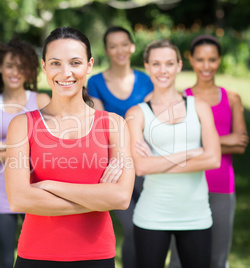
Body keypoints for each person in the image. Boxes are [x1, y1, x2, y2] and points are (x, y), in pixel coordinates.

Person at [5, 27, 135, 268]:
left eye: (75, 62)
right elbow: (19, 199)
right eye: (55, 63)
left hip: (95, 256)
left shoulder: (113, 125)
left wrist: (50, 187)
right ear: (44, 67)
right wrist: (97, 198)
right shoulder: (22, 125)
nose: (65, 73)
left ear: (89, 65)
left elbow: (120, 197)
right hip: (36, 256)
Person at [126, 39, 221, 268]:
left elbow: (213, 158)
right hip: (152, 215)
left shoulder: (199, 107)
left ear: (179, 65)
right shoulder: (136, 114)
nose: (163, 70)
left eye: (169, 63)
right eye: (156, 64)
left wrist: (158, 162)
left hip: (196, 214)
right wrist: (191, 153)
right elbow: (141, 167)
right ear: (147, 67)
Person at [169, 35, 248, 268]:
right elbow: (177, 145)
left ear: (219, 60)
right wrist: (226, 141)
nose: (206, 66)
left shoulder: (232, 98)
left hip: (223, 188)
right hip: (187, 186)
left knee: (217, 258)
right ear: (190, 60)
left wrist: (198, 143)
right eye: (200, 59)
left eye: (212, 59)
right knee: (179, 259)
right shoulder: (181, 99)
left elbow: (241, 144)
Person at [0, 38, 50, 268]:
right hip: (1, 195)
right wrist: (29, 146)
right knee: (7, 259)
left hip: (38, 191)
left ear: (30, 70)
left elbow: (49, 149)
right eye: (10, 65)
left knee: (42, 256)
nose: (15, 72)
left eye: (21, 67)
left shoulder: (41, 101)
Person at [87, 26, 153, 268]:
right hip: (113, 165)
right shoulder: (94, 83)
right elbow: (102, 124)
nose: (119, 50)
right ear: (106, 50)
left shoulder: (146, 81)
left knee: (148, 227)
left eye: (124, 44)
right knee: (133, 226)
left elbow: (153, 121)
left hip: (144, 162)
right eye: (113, 46)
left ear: (132, 46)